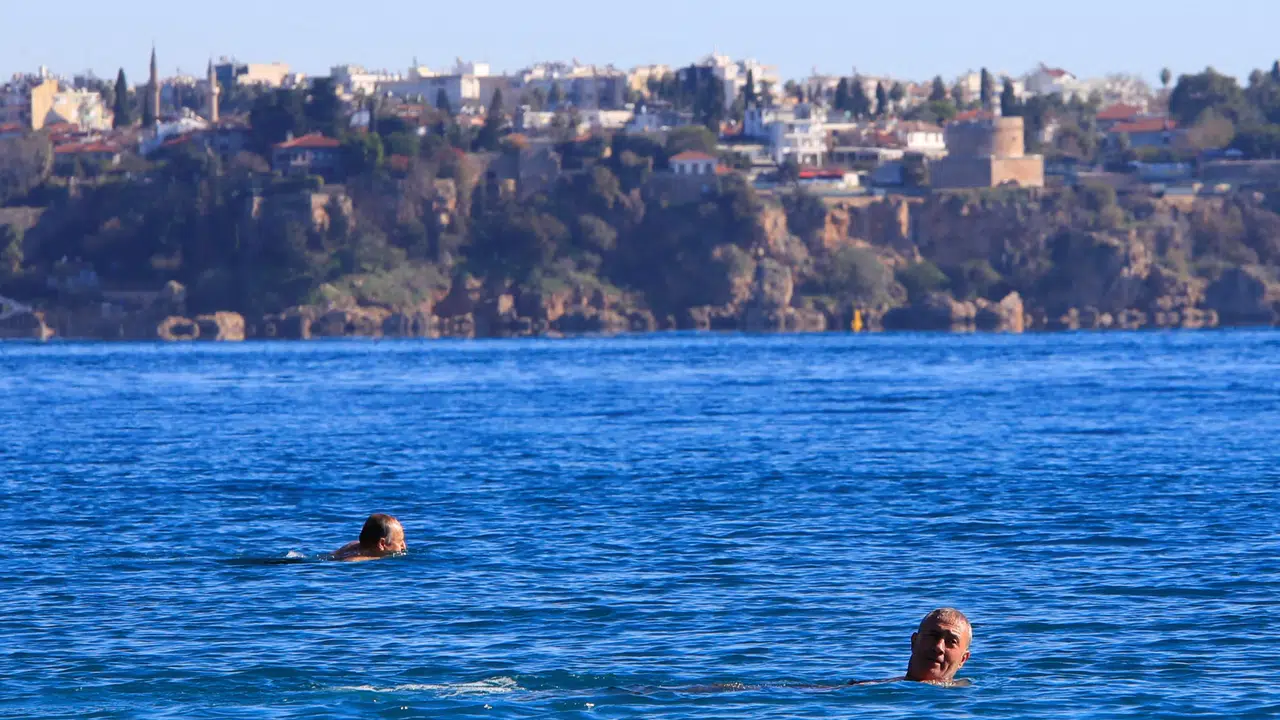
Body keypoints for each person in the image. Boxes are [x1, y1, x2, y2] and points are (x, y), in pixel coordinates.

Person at [849, 608, 973, 687]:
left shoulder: (967, 700)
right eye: (933, 636)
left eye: (951, 641)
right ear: (914, 642)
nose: (938, 647)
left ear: (963, 659)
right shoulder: (867, 687)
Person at [331, 513, 407, 562]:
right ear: (382, 544)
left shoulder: (352, 546)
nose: (404, 546)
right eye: (400, 542)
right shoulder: (358, 560)